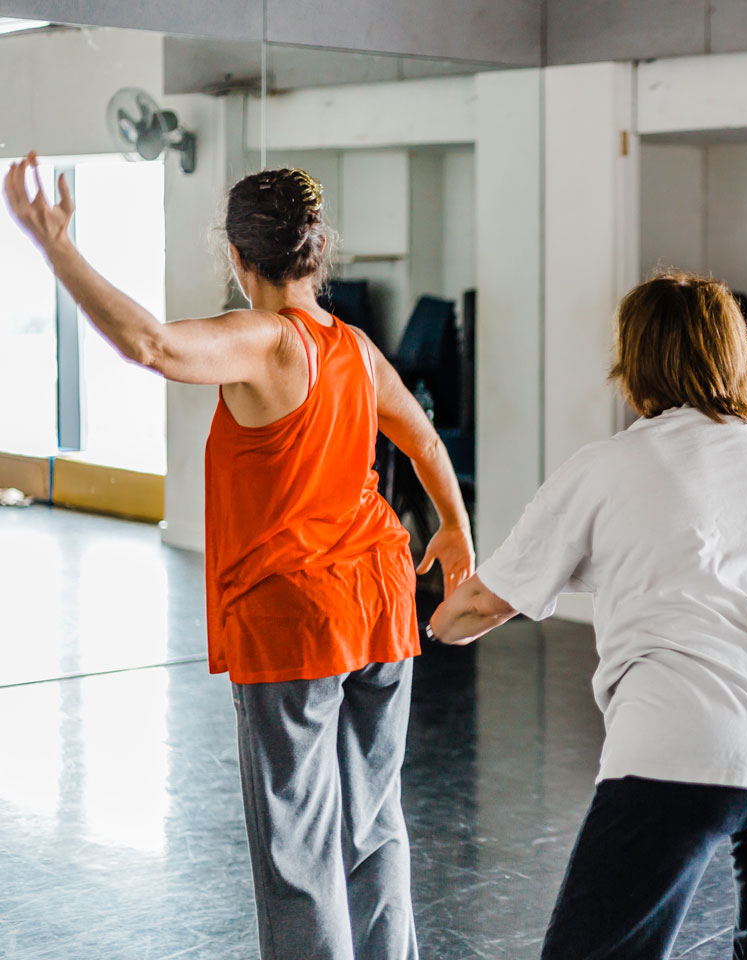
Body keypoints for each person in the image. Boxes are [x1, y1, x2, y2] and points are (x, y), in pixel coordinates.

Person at [3, 154, 474, 959]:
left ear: (239, 257)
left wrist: (58, 248)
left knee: (298, 849)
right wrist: (456, 529)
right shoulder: (353, 346)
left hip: (298, 619)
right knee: (373, 826)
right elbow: (423, 437)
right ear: (315, 252)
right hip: (383, 603)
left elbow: (150, 343)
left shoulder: (267, 341)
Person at [428, 270, 747, 960]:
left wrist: (424, 626)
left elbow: (478, 606)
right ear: (735, 356)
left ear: (634, 361)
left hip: (681, 742)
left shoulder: (606, 466)